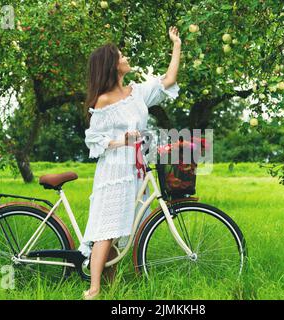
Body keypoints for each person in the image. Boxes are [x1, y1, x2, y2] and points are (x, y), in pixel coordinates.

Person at [79, 26, 182, 300]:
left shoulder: (138, 92)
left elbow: (169, 79)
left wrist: (177, 44)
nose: (126, 58)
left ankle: (111, 287)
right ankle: (94, 288)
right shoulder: (103, 101)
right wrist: (122, 141)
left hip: (136, 168)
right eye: (121, 56)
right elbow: (94, 140)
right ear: (113, 66)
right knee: (107, 226)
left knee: (123, 225)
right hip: (114, 171)